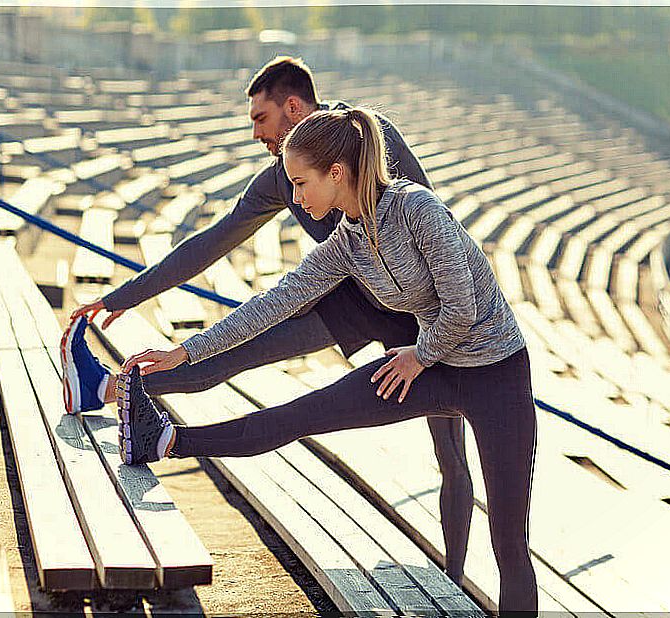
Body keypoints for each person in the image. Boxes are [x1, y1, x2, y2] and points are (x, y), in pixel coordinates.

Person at [62, 56, 474, 587]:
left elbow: (434, 234)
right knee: (228, 355)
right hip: (350, 299)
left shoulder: (370, 138)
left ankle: (457, 578)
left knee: (450, 449)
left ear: (294, 107)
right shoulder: (280, 178)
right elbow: (213, 242)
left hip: (424, 312)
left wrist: (434, 342)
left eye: (260, 118)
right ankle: (105, 388)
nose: (254, 132)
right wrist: (127, 295)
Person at [111, 108, 538, 613]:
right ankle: (166, 440)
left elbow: (462, 308)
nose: (296, 198)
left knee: (509, 544)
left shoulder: (418, 210)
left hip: (496, 377)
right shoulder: (349, 242)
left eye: (300, 183)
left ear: (337, 173)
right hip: (432, 366)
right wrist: (184, 352)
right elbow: (275, 303)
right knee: (302, 414)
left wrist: (420, 356)